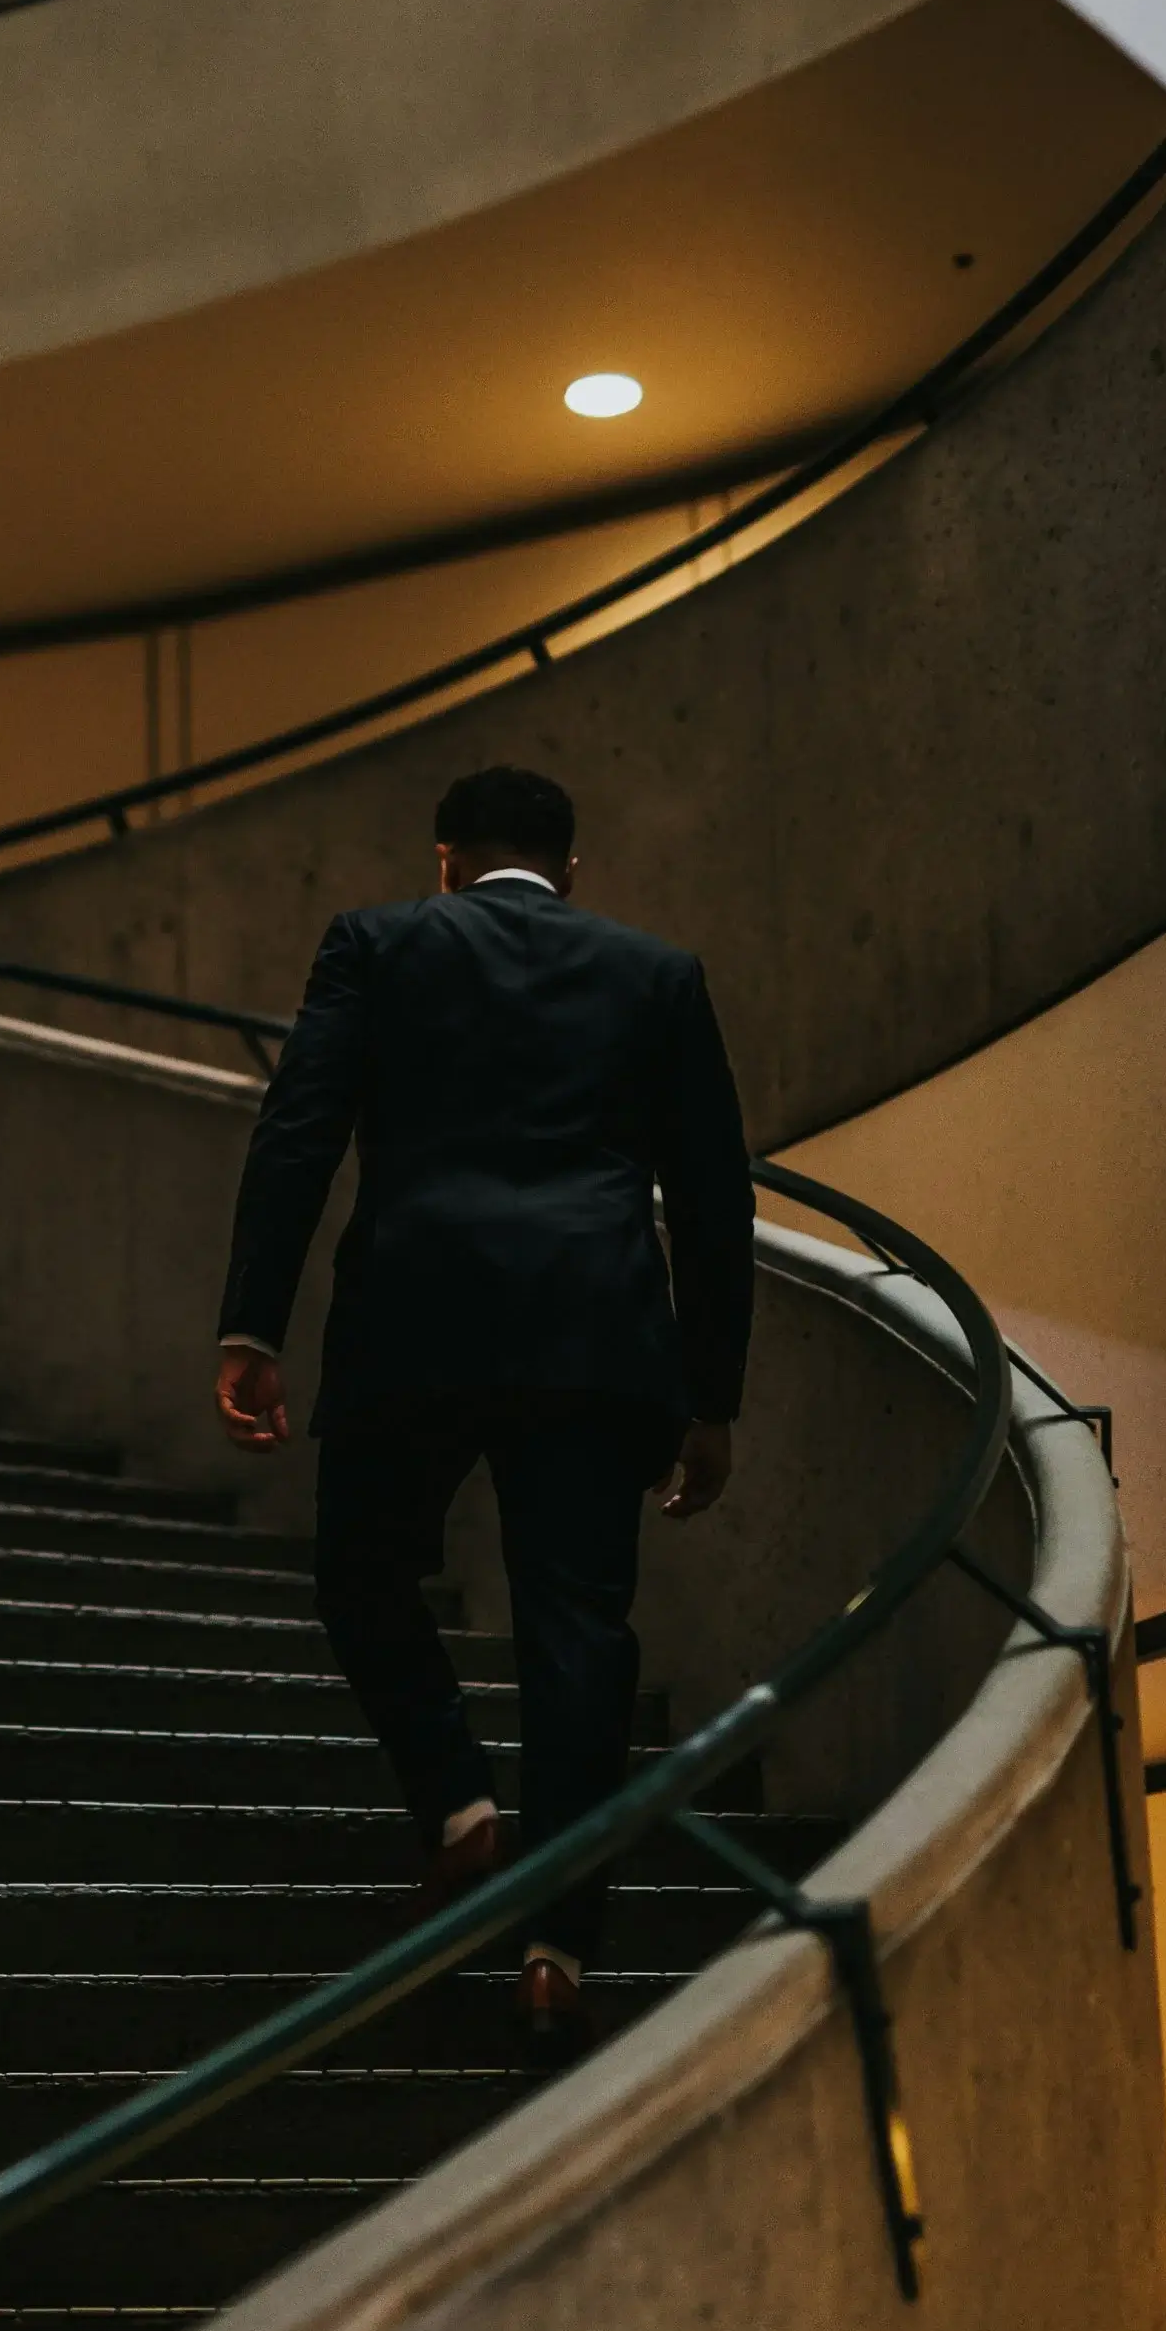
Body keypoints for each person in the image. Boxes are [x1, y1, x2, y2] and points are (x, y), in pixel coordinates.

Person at [214, 764, 754, 2062]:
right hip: (596, 1334)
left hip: (414, 1321)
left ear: (445, 859)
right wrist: (710, 1399)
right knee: (579, 1637)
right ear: (571, 871)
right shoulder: (659, 974)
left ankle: (461, 1812)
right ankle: (558, 1959)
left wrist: (252, 1323)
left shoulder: (379, 943)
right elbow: (715, 1194)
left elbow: (299, 1131)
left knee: (361, 1570)